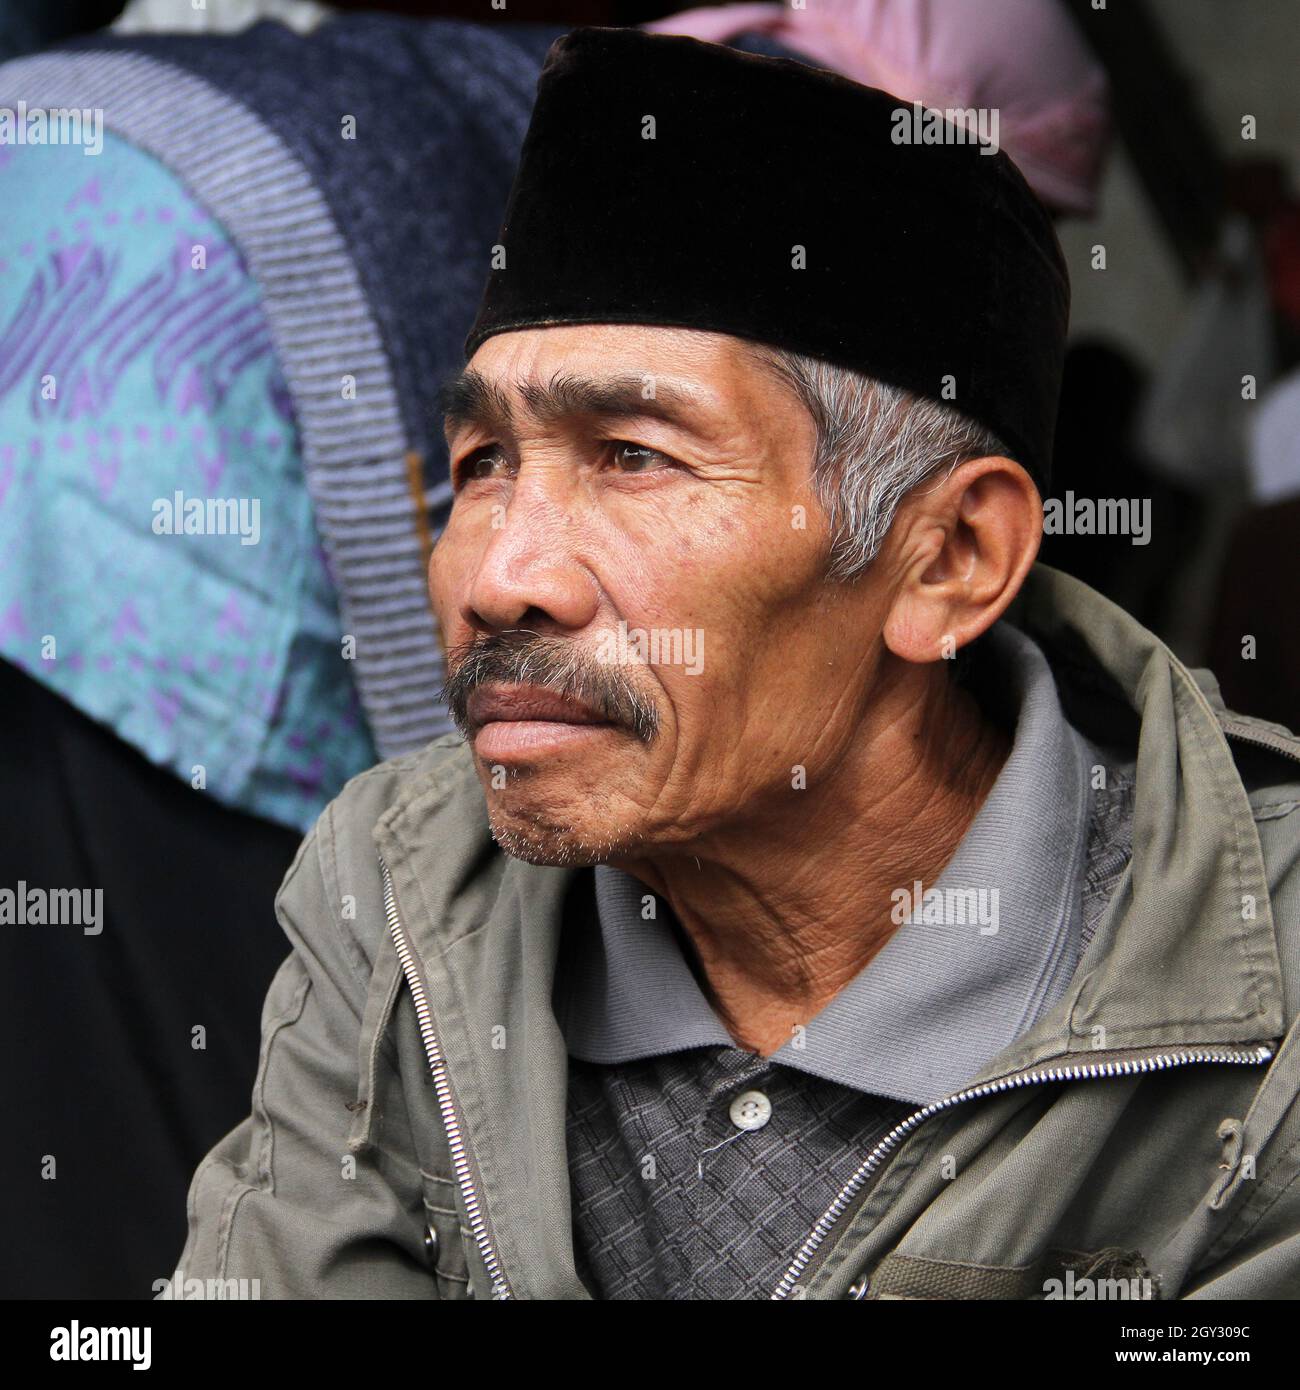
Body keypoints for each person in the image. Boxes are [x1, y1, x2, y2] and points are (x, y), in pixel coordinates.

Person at [177, 27, 1300, 1300]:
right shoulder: (400, 879)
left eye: (634, 455)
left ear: (949, 560)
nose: (498, 576)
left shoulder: (1261, 997)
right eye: (482, 462)